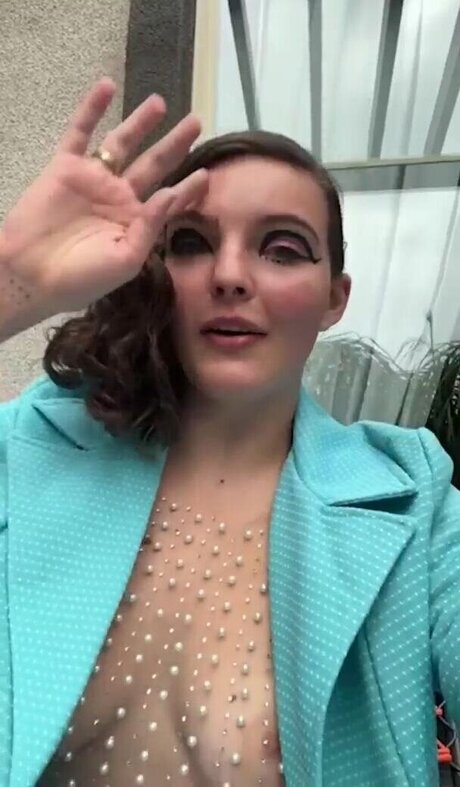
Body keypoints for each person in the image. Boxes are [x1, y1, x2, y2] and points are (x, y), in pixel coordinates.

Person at [0, 77, 459, 787]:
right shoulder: (28, 450)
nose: (231, 275)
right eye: (190, 243)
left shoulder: (413, 503)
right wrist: (12, 281)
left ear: (335, 299)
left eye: (283, 249)